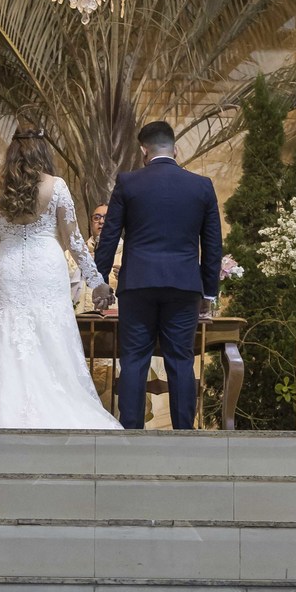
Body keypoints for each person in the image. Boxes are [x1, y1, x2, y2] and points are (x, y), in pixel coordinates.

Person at [0, 123, 121, 430]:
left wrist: (8, 246)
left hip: (8, 266)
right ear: (43, 151)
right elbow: (75, 241)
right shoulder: (57, 186)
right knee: (49, 329)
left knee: (7, 328)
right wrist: (96, 281)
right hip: (46, 264)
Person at [94, 120, 223, 431]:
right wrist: (209, 292)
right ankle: (183, 433)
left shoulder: (128, 182)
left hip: (137, 283)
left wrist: (99, 280)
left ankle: (132, 432)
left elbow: (109, 236)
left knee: (135, 359)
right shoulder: (201, 186)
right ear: (175, 149)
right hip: (183, 285)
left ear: (143, 151)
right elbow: (213, 244)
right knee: (180, 359)